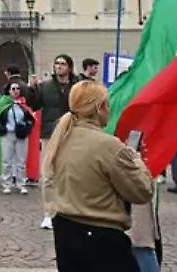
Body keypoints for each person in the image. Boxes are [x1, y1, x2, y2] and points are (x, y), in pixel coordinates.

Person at [44, 80, 155, 271]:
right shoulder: (108, 146)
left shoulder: (61, 139)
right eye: (108, 105)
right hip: (101, 237)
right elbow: (141, 191)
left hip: (66, 231)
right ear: (99, 108)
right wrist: (136, 161)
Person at [27, 54, 76, 229]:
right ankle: (49, 213)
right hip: (50, 133)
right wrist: (32, 89)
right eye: (56, 64)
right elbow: (33, 105)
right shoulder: (45, 86)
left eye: (62, 64)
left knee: (70, 174)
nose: (59, 67)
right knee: (48, 174)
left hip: (72, 134)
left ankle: (68, 210)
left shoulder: (77, 86)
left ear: (69, 67)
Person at [0, 81, 33, 195]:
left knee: (21, 161)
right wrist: (2, 128)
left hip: (21, 134)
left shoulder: (24, 104)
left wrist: (27, 128)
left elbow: (31, 118)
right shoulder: (4, 103)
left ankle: (21, 183)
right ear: (9, 91)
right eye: (13, 89)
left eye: (17, 89)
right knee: (7, 160)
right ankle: (7, 183)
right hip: (8, 134)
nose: (16, 91)